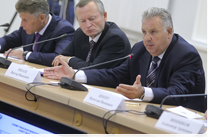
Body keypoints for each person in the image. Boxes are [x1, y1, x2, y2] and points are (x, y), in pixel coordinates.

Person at [43, 7, 205, 112]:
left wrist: (143, 93)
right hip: (146, 111)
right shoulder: (140, 49)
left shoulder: (186, 55)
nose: (147, 38)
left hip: (180, 122)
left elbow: (176, 94)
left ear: (169, 32)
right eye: (144, 32)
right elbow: (115, 75)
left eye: (153, 32)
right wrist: (74, 75)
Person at [0, 0, 75, 66]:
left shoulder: (64, 30)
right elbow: (8, 40)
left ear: (41, 18)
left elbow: (59, 58)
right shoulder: (27, 28)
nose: (21, 24)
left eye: (25, 20)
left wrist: (25, 55)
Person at [50, 0, 131, 69]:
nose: (88, 25)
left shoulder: (115, 38)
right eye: (82, 21)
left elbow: (94, 69)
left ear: (104, 16)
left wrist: (69, 60)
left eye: (92, 19)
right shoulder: (80, 33)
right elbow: (60, 58)